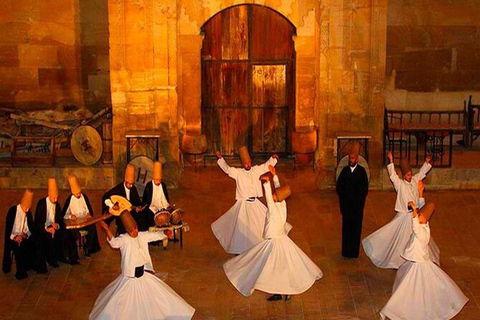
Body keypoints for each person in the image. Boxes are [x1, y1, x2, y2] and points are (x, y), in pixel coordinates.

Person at [223, 166, 322, 302]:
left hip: (274, 242)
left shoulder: (273, 207)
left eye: (276, 195)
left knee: (274, 267)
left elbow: (269, 197)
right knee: (280, 268)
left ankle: (282, 291)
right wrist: (274, 176)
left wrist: (266, 182)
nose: (274, 195)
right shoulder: (282, 205)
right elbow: (278, 190)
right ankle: (282, 292)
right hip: (280, 240)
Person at [89, 204, 195, 320]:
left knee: (158, 299)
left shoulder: (142, 236)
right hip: (129, 279)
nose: (135, 232)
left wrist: (165, 234)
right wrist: (107, 230)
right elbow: (114, 243)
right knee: (123, 306)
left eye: (135, 228)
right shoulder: (124, 239)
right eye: (132, 230)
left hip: (142, 277)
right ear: (127, 231)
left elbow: (153, 235)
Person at [380, 201, 468, 320]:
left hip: (418, 266)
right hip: (416, 263)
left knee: (407, 287)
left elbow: (415, 226)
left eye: (420, 215)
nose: (418, 216)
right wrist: (419, 199)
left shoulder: (422, 232)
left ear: (424, 220)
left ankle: (392, 309)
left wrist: (415, 213)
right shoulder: (424, 227)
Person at [362, 152, 439, 268]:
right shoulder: (400, 185)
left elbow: (422, 173)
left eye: (410, 174)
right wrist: (391, 161)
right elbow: (393, 176)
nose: (409, 176)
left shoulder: (414, 180)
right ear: (403, 176)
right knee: (400, 239)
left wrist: (427, 162)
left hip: (415, 215)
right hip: (404, 216)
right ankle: (397, 259)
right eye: (407, 175)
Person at [212, 146, 279, 254]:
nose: (248, 164)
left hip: (254, 204)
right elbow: (227, 169)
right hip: (243, 204)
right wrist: (220, 159)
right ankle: (240, 249)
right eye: (246, 163)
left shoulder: (256, 170)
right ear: (242, 164)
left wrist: (273, 159)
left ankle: (258, 247)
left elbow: (266, 166)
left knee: (260, 224)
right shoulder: (238, 173)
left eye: (249, 162)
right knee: (242, 227)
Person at [336, 142, 369, 258]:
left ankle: (354, 252)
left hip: (357, 208)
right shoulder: (344, 171)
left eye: (353, 158)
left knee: (355, 230)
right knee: (346, 230)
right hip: (346, 207)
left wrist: (358, 201)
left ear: (357, 160)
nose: (351, 159)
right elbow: (339, 187)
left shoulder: (361, 172)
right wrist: (344, 200)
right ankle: (346, 252)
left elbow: (364, 189)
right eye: (350, 158)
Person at [2, 189, 39, 279]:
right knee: (18, 247)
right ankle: (20, 272)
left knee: (34, 241)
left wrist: (25, 234)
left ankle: (30, 265)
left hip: (23, 236)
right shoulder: (13, 211)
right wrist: (15, 237)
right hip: (13, 238)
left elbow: (29, 228)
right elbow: (8, 231)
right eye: (25, 208)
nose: (26, 210)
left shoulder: (27, 213)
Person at [63, 174, 100, 260]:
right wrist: (70, 217)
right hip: (75, 224)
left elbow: (88, 210)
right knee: (72, 233)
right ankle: (73, 253)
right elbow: (64, 214)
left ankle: (87, 248)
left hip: (84, 222)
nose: (78, 195)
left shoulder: (84, 197)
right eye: (76, 194)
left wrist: (88, 214)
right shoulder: (69, 200)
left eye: (79, 193)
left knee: (92, 228)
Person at [102, 164, 144, 234]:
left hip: (131, 211)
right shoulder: (118, 189)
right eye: (129, 184)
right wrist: (112, 205)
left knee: (142, 219)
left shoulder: (133, 188)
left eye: (132, 184)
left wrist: (137, 208)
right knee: (125, 222)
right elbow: (106, 197)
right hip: (121, 213)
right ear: (125, 181)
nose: (131, 186)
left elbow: (136, 203)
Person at [34, 178, 64, 270]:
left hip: (52, 226)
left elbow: (59, 219)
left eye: (56, 197)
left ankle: (59, 256)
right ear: (48, 195)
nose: (55, 200)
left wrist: (57, 225)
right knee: (48, 238)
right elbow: (38, 222)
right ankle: (50, 259)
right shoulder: (42, 204)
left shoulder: (57, 205)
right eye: (53, 197)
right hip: (42, 228)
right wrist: (46, 229)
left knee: (62, 234)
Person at [142, 161, 171, 227]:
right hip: (151, 207)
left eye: (160, 180)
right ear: (153, 178)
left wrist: (166, 206)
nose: (158, 182)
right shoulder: (149, 186)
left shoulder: (163, 185)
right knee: (149, 215)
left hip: (161, 206)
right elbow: (146, 200)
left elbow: (164, 198)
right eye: (157, 180)